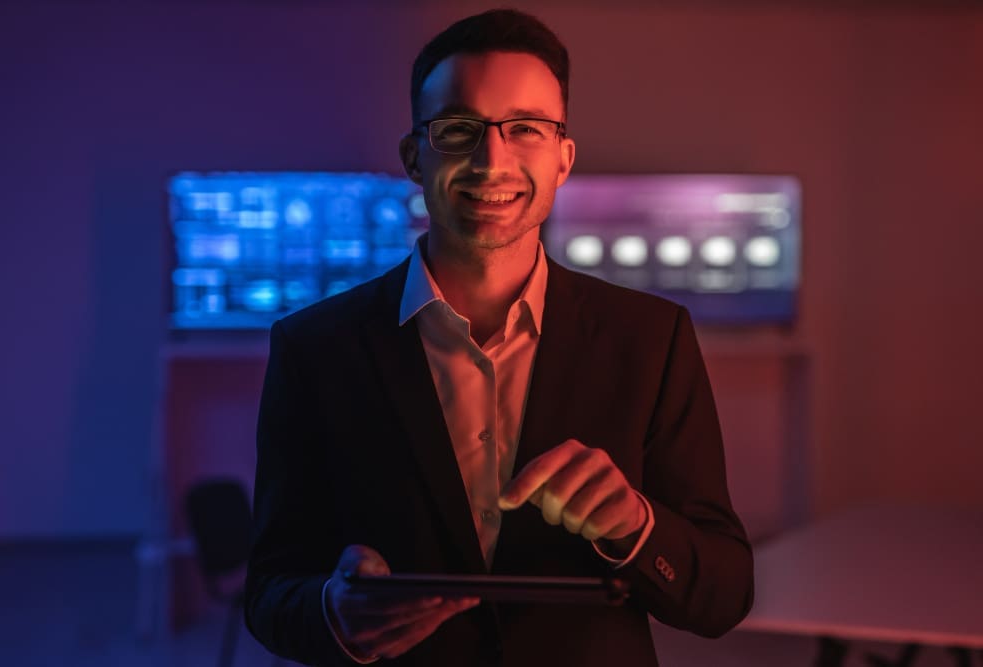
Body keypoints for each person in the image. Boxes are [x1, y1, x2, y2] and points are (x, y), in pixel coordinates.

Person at [245, 8, 753, 667]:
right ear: (413, 156)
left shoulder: (651, 340)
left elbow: (723, 593)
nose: (492, 159)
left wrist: (634, 523)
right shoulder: (315, 349)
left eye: (526, 129)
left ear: (564, 157)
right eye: (459, 130)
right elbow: (270, 588)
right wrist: (332, 614)